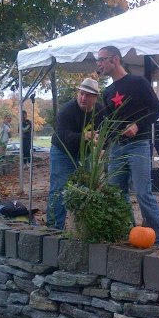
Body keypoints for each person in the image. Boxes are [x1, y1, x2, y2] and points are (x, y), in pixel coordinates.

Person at [96, 45, 159, 249]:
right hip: (116, 148)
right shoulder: (107, 92)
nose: (99, 64)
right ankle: (129, 232)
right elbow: (109, 122)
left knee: (142, 192)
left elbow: (156, 110)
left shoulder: (138, 82)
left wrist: (138, 125)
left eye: (102, 59)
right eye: (98, 60)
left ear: (116, 60)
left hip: (139, 145)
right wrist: (102, 139)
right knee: (116, 192)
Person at [46, 78, 104, 229]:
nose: (83, 98)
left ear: (95, 98)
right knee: (59, 188)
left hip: (87, 154)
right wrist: (84, 137)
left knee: (88, 187)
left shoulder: (101, 111)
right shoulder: (66, 110)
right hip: (62, 151)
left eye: (88, 95)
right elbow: (63, 135)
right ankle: (54, 228)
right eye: (81, 93)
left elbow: (106, 132)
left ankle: (84, 228)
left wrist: (103, 144)